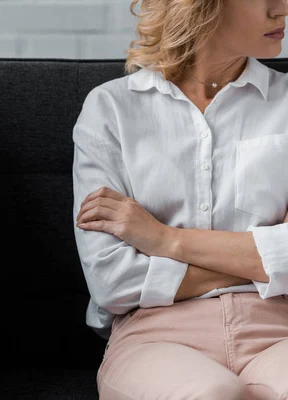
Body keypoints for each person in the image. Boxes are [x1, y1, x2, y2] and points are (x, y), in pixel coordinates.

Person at [73, 0, 288, 399]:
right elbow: (113, 280)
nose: (283, 9)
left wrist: (163, 240)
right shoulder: (112, 108)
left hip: (280, 329)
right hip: (157, 335)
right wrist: (266, 259)